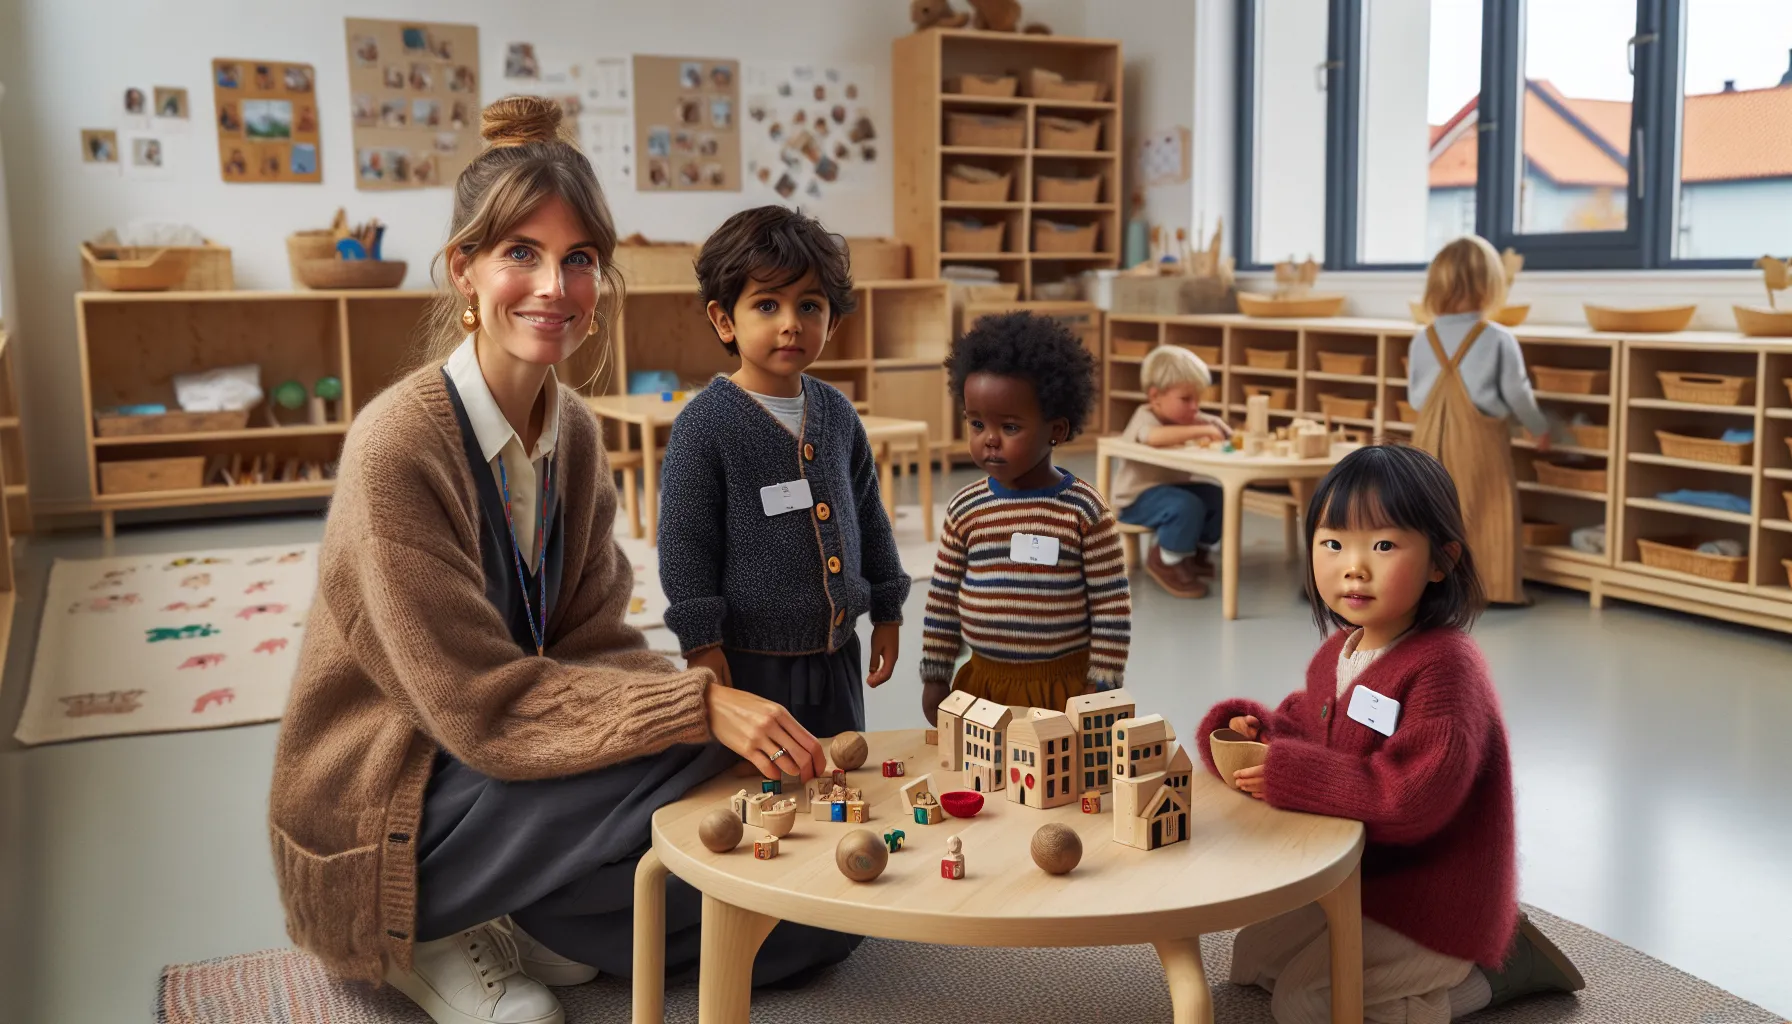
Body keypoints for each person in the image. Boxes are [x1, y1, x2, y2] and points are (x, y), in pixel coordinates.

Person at [267, 97, 858, 1024]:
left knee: (811, 920)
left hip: (512, 769)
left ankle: (532, 911)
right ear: (464, 268)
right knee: (701, 737)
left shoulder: (572, 434)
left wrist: (705, 714)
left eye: (578, 259)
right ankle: (419, 930)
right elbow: (476, 706)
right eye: (520, 254)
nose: (553, 286)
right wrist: (698, 700)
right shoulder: (398, 447)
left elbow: (591, 642)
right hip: (399, 795)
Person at [1196, 444, 1583, 1023]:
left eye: (1383, 545)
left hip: (1433, 897)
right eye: (1332, 544)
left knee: (1306, 1004)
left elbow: (1409, 800)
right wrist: (1254, 729)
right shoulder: (1341, 651)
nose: (1354, 566)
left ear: (1440, 561)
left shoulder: (1446, 668)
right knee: (1252, 957)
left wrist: (1289, 773)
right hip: (1362, 877)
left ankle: (1495, 975)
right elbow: (1310, 726)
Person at [657, 206, 909, 741]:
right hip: (751, 664)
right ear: (725, 320)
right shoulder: (704, 425)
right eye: (766, 304)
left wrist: (887, 608)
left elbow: (868, 513)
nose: (790, 321)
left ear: (832, 323)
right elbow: (684, 543)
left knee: (840, 781)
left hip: (837, 655)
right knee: (760, 796)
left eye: (809, 305)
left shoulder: (838, 413)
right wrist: (701, 643)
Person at [920, 312, 1131, 721]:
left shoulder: (1084, 511)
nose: (989, 440)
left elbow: (1111, 605)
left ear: (1057, 429)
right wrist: (935, 675)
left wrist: (1103, 684)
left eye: (1010, 426)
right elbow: (942, 599)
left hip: (1062, 691)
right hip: (982, 687)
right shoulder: (965, 509)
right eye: (976, 423)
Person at [1408, 235, 1550, 606]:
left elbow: (1415, 397)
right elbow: (1517, 392)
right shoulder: (1498, 339)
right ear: (1490, 286)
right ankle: (1494, 587)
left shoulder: (1423, 339)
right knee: (1489, 510)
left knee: (1429, 511)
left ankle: (1427, 584)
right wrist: (1539, 428)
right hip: (1480, 440)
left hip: (1429, 436)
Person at [1110, 345, 1233, 599]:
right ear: (1155, 397)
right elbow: (1155, 437)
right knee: (1186, 505)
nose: (1194, 407)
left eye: (1198, 400)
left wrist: (1212, 422)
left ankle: (1194, 552)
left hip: (1171, 493)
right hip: (1136, 501)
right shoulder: (1144, 417)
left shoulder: (1184, 418)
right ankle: (1165, 560)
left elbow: (1203, 422)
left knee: (1218, 497)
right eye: (1186, 399)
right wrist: (1201, 430)